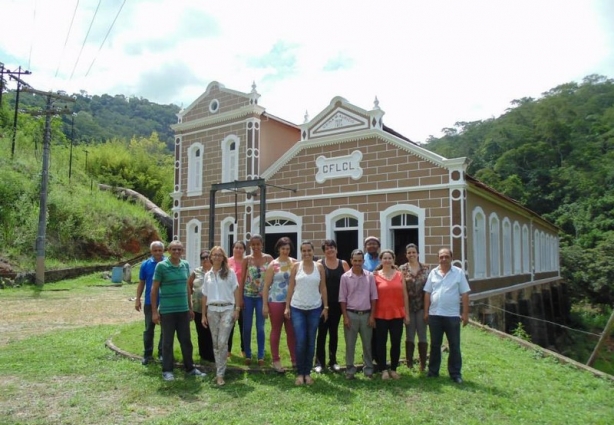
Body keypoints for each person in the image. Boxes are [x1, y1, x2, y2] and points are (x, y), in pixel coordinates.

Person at [151, 240, 205, 381]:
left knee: (186, 340)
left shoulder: (185, 265)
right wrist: (154, 312)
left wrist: (190, 307)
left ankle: (190, 368)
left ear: (182, 251)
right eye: (174, 249)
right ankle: (167, 370)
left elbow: (187, 287)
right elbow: (154, 289)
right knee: (167, 342)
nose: (176, 252)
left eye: (179, 249)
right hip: (167, 311)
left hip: (183, 310)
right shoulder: (161, 266)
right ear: (168, 250)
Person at [424, 248, 471, 384]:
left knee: (454, 345)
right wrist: (426, 311)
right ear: (438, 258)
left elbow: (465, 293)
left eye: (446, 256)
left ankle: (455, 373)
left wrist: (465, 314)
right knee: (434, 345)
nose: (443, 259)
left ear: (451, 257)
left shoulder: (458, 273)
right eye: (441, 257)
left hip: (452, 316)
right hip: (435, 315)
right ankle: (433, 372)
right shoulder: (433, 273)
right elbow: (427, 292)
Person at [285, 241, 328, 385]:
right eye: (303, 251)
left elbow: (323, 288)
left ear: (313, 251)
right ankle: (299, 373)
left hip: (315, 308)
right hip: (297, 307)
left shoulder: (319, 267)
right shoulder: (296, 266)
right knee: (301, 341)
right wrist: (287, 307)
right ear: (300, 252)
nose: (306, 253)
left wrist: (326, 307)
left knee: (311, 341)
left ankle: (307, 373)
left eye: (309, 250)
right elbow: (291, 287)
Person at [201, 246, 241, 386]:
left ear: (223, 257)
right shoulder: (208, 275)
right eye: (214, 255)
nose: (217, 257)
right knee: (215, 342)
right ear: (211, 257)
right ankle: (220, 371)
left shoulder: (230, 273)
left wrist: (237, 309)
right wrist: (203, 315)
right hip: (212, 311)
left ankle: (220, 374)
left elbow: (236, 291)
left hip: (227, 309)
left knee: (222, 342)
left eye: (220, 255)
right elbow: (205, 295)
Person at [339, 249, 378, 380]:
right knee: (350, 345)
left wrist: (372, 316)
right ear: (351, 261)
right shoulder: (345, 277)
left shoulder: (370, 276)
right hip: (351, 314)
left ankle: (368, 370)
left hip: (366, 315)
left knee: (367, 345)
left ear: (363, 261)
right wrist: (345, 316)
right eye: (354, 260)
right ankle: (350, 370)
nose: (357, 263)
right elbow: (342, 299)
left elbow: (374, 297)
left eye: (359, 261)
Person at [373, 249, 409, 380]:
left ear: (393, 260)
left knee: (396, 342)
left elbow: (404, 295)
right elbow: (372, 297)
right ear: (381, 260)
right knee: (381, 343)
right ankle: (383, 369)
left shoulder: (400, 275)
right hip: (380, 314)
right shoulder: (375, 275)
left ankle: (393, 369)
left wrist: (407, 314)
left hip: (397, 314)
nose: (387, 260)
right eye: (385, 258)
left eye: (390, 258)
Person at [262, 237, 297, 372]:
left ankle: (295, 359)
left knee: (291, 331)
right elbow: (266, 286)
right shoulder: (273, 265)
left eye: (288, 249)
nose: (285, 251)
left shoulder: (294, 263)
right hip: (276, 301)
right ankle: (276, 360)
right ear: (278, 249)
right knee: (276, 329)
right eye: (283, 249)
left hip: (292, 301)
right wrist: (265, 305)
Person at [314, 239, 349, 373]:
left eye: (332, 247)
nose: (330, 250)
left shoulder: (343, 264)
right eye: (327, 248)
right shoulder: (319, 264)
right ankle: (319, 362)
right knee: (322, 333)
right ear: (324, 251)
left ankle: (333, 361)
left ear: (336, 249)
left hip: (338, 304)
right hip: (322, 304)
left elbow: (349, 284)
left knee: (334, 333)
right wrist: (324, 306)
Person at [240, 234, 273, 366]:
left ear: (262, 244)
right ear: (250, 246)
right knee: (247, 327)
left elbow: (273, 277)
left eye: (258, 244)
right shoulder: (247, 259)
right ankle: (248, 354)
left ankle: (260, 355)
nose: (256, 247)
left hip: (262, 298)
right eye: (253, 244)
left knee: (260, 327)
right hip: (248, 296)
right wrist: (240, 298)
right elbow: (242, 279)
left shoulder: (268, 258)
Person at [399, 243, 430, 371]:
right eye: (409, 252)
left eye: (413, 252)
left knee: (422, 335)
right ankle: (409, 362)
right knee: (409, 335)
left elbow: (429, 289)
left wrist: (428, 311)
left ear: (417, 253)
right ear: (406, 255)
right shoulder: (402, 269)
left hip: (422, 306)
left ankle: (423, 363)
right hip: (409, 307)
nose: (411, 254)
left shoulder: (426, 268)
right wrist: (405, 312)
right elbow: (402, 291)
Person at [135, 241, 165, 365]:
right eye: (155, 250)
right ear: (151, 251)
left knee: (165, 330)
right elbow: (142, 282)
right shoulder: (145, 265)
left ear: (163, 251)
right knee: (149, 329)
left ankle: (162, 353)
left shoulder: (168, 264)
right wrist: (137, 299)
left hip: (165, 302)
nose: (157, 252)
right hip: (149, 302)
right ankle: (147, 354)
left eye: (160, 250)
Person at [187, 250, 214, 362]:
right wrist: (190, 303)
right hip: (197, 308)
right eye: (203, 257)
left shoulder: (216, 271)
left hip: (212, 308)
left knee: (211, 332)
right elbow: (188, 286)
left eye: (207, 257)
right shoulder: (196, 272)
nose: (205, 259)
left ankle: (212, 354)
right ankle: (203, 354)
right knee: (201, 332)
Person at [362, 236, 381, 367]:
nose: (372, 246)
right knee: (368, 329)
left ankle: (378, 356)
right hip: (366, 297)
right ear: (366, 246)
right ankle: (368, 356)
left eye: (374, 243)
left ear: (378, 246)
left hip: (381, 297)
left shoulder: (383, 258)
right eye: (369, 244)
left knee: (378, 330)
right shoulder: (362, 260)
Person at [227, 240, 246, 356]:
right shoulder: (227, 262)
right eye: (236, 247)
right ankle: (228, 350)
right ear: (233, 249)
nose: (238, 250)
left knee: (243, 325)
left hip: (243, 297)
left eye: (241, 248)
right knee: (229, 325)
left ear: (244, 250)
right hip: (229, 298)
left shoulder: (246, 262)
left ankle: (244, 350)